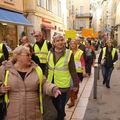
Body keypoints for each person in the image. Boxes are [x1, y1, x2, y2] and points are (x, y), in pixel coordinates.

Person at [0, 46, 61, 120]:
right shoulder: (5, 69)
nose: (30, 57)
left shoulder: (36, 69)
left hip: (33, 113)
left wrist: (53, 89)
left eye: (31, 55)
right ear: (18, 56)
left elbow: (44, 83)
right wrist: (1, 89)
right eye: (28, 55)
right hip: (13, 113)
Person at [45, 34, 79, 120]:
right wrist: (44, 81)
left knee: (60, 107)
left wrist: (76, 84)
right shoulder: (49, 52)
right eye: (58, 40)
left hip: (62, 86)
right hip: (51, 85)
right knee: (53, 106)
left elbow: (73, 70)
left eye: (61, 40)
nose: (60, 42)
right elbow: (47, 68)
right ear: (54, 43)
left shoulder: (68, 53)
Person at [67, 40, 86, 108]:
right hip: (70, 71)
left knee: (76, 85)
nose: (72, 45)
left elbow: (83, 62)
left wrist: (84, 71)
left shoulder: (80, 52)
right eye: (71, 43)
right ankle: (72, 101)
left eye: (73, 43)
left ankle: (75, 94)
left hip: (78, 71)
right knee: (72, 85)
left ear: (76, 44)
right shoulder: (67, 52)